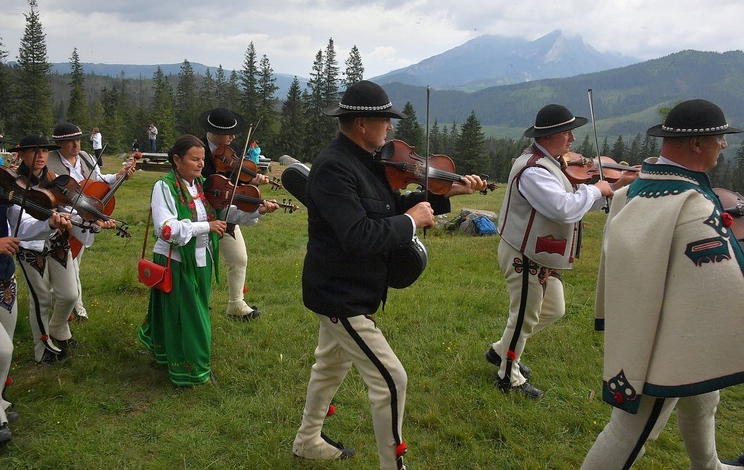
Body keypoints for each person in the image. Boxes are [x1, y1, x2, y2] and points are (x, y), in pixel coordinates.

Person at [292, 80, 485, 469]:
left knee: (330, 366)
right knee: (391, 379)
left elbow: (392, 204)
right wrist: (411, 223)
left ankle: (308, 439)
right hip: (339, 294)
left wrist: (447, 196)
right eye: (386, 121)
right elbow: (358, 234)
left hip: (352, 289)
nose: (391, 128)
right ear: (363, 124)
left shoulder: (371, 161)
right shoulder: (333, 168)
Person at [582, 99, 744, 469]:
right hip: (661, 339)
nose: (724, 144)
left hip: (654, 325)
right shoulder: (689, 202)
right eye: (719, 137)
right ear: (697, 144)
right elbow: (721, 278)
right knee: (629, 432)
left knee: (704, 399)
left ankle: (708, 466)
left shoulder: (637, 190)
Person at [485, 104, 636, 400]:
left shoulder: (550, 162)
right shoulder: (534, 170)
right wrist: (596, 189)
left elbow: (574, 204)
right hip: (523, 255)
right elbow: (564, 209)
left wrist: (614, 186)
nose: (572, 140)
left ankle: (501, 351)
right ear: (552, 135)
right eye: (567, 132)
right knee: (524, 317)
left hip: (537, 254)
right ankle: (508, 376)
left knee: (554, 309)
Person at [137, 135, 278, 386]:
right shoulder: (164, 186)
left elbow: (226, 213)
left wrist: (258, 210)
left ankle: (171, 356)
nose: (201, 164)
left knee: (185, 313)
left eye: (202, 159)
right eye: (194, 159)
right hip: (177, 259)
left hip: (202, 259)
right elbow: (166, 229)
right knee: (195, 317)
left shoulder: (203, 185)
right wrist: (206, 227)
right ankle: (196, 371)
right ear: (177, 160)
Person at [0, 121, 73, 447]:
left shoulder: (0, 183)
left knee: (3, 352)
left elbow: (21, 226)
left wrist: (48, 223)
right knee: (1, 350)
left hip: (2, 277)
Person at [47, 122, 135, 321]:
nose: (76, 145)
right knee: (69, 262)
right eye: (70, 142)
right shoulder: (50, 163)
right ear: (59, 144)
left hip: (86, 214)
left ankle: (67, 302)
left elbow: (98, 179)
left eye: (77, 140)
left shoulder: (85, 157)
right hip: (65, 218)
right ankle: (77, 308)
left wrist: (117, 177)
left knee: (75, 260)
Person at [12, 135, 86, 364]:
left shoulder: (52, 177)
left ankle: (57, 327)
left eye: (44, 151)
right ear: (22, 154)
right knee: (42, 298)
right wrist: (49, 222)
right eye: (34, 151)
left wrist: (91, 219)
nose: (41, 156)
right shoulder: (14, 182)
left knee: (70, 294)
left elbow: (66, 205)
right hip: (30, 245)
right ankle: (42, 347)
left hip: (56, 241)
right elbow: (20, 223)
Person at [199, 107, 269, 321]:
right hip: (199, 215)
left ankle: (236, 305)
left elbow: (235, 178)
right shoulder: (196, 148)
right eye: (227, 134)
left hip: (227, 210)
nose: (232, 138)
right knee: (200, 263)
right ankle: (197, 304)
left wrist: (251, 179)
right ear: (213, 132)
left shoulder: (233, 148)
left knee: (239, 258)